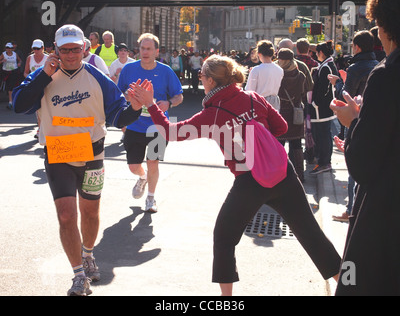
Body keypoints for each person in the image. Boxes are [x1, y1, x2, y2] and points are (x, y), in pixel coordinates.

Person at [129, 55, 341, 296]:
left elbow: (169, 132)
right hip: (283, 173)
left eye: (201, 76)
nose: (201, 79)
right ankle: (351, 284)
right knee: (312, 235)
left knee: (224, 237)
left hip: (249, 180)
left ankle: (226, 299)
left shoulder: (212, 115)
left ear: (209, 80)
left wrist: (151, 104)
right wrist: (256, 136)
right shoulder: (253, 98)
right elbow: (281, 127)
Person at [11, 24, 142, 296]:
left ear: (85, 47)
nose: (71, 55)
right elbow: (20, 105)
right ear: (55, 50)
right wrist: (43, 76)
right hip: (58, 153)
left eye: (76, 49)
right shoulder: (43, 74)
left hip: (92, 153)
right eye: (64, 50)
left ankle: (88, 253)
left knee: (91, 212)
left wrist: (136, 107)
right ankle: (78, 274)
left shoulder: (98, 77)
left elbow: (118, 116)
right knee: (66, 214)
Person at [331, 0, 400, 295]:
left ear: (385, 27)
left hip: (385, 212)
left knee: (356, 278)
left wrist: (353, 122)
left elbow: (363, 161)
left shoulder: (386, 75)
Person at [117, 33, 183, 213]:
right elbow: (118, 93)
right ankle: (142, 177)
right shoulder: (129, 69)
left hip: (158, 125)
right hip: (134, 124)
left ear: (156, 51)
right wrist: (127, 99)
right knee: (133, 166)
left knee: (153, 162)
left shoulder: (165, 71)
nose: (145, 52)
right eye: (142, 48)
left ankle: (151, 199)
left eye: (148, 49)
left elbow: (179, 96)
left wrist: (168, 103)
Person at [327, 30, 379, 222]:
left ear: (356, 47)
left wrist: (338, 82)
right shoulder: (377, 65)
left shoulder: (356, 67)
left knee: (352, 163)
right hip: (372, 119)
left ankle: (350, 210)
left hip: (354, 120)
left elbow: (345, 96)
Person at [276, 49, 306, 182]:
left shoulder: (278, 76)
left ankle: (278, 175)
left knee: (278, 146)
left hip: (281, 113)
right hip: (296, 114)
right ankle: (299, 175)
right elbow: (303, 94)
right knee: (297, 144)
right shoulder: (301, 76)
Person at [309, 40, 338, 175]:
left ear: (321, 53)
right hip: (324, 107)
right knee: (325, 133)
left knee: (323, 134)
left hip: (321, 108)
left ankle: (324, 162)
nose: (316, 56)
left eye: (317, 53)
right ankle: (324, 161)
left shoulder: (326, 66)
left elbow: (323, 88)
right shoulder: (328, 64)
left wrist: (316, 103)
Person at [245, 40, 283, 111]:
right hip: (275, 103)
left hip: (259, 103)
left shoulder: (256, 70)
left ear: (259, 54)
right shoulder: (280, 69)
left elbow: (250, 90)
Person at [24, 39, 49, 139]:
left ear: (42, 48)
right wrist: (31, 78)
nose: (36, 51)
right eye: (34, 48)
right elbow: (25, 72)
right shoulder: (30, 58)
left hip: (47, 86)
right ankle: (40, 129)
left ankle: (45, 128)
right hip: (35, 87)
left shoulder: (48, 58)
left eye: (38, 49)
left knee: (47, 108)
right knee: (38, 109)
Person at [0, 42, 22, 109]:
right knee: (6, 87)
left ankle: (10, 102)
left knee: (11, 87)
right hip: (5, 72)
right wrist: (2, 61)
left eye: (10, 48)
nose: (8, 49)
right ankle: (11, 101)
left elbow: (20, 60)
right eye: (7, 48)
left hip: (13, 72)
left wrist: (19, 63)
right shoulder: (3, 54)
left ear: (12, 49)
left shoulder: (15, 54)